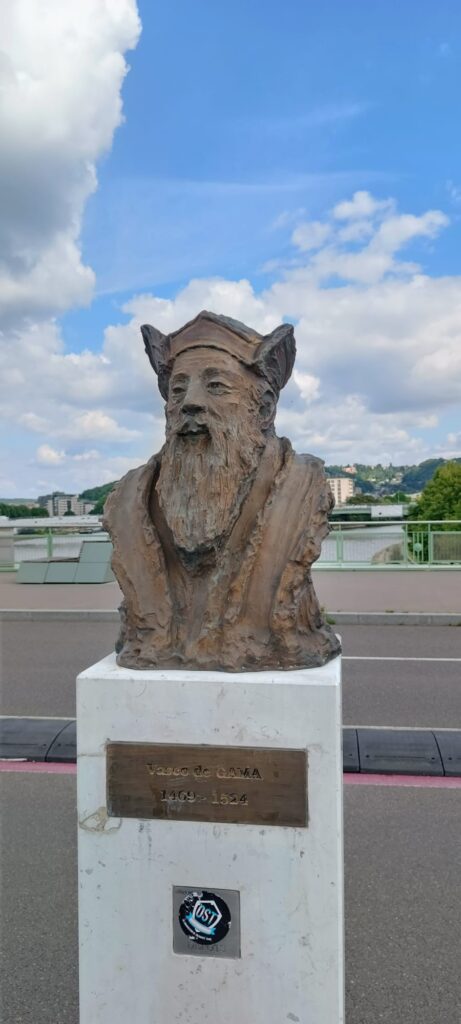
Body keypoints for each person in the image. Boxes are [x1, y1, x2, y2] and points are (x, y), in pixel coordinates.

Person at [104, 310, 340, 671]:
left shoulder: (302, 489)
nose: (190, 402)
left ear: (264, 409)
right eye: (178, 390)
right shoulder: (129, 500)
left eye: (216, 386)